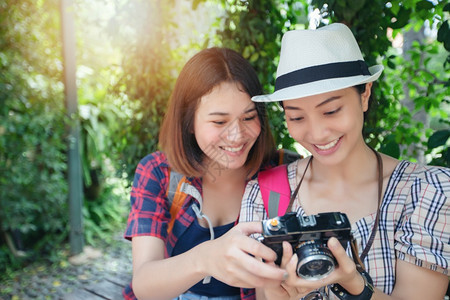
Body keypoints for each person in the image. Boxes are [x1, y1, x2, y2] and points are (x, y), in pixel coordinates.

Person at [239, 23, 449, 300]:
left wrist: (356, 286)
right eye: (297, 117)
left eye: (331, 110)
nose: (316, 133)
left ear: (365, 94)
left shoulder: (426, 192)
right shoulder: (266, 195)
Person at [122, 47, 297, 300]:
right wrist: (206, 258)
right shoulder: (158, 173)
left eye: (249, 117)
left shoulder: (285, 173)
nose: (236, 135)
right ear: (189, 122)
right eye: (219, 122)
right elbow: (144, 284)